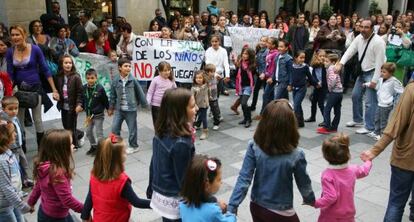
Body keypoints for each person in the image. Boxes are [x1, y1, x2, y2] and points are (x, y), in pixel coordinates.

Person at [228, 99, 315, 221]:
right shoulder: (296, 154)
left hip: (257, 206)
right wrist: (310, 199)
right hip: (281, 211)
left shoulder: (254, 145)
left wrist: (232, 205)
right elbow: (304, 182)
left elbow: (244, 178)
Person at [360, 77, 414, 221]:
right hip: (407, 157)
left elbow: (396, 124)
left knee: (396, 203)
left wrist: (374, 151)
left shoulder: (411, 90)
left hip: (406, 157)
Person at [6, 25, 59, 147]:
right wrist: (9, 93)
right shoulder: (10, 51)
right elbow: (10, 74)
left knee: (38, 120)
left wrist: (54, 89)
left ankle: (41, 149)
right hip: (18, 90)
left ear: (23, 35)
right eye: (12, 35)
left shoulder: (35, 49)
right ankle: (21, 147)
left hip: (35, 89)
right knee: (18, 121)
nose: (15, 37)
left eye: (17, 34)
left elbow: (45, 70)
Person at [148, 88, 196, 222]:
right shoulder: (181, 142)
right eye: (192, 106)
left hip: (161, 193)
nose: (196, 108)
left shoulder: (161, 131)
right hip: (175, 199)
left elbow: (154, 163)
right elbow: (184, 178)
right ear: (180, 111)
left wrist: (151, 185)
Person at [80, 134, 151, 222]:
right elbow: (136, 202)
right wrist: (157, 204)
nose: (126, 154)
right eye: (124, 152)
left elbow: (90, 197)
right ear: (117, 158)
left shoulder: (94, 174)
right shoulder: (122, 182)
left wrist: (85, 215)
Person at [336, 19, 386, 135]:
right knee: (355, 95)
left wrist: (374, 80)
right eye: (361, 27)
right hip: (362, 71)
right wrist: (341, 63)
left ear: (372, 28)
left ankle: (370, 126)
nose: (363, 29)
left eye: (366, 27)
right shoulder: (359, 38)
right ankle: (358, 120)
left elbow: (380, 63)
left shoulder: (379, 42)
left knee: (370, 101)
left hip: (374, 72)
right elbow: (350, 51)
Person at [313, 133, 372, 221]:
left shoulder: (327, 174)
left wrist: (315, 203)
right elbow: (364, 170)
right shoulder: (353, 169)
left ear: (326, 156)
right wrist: (368, 161)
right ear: (347, 153)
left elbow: (330, 197)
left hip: (330, 215)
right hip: (348, 213)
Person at [28, 129, 84, 221]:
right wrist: (84, 209)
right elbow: (67, 200)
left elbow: (38, 187)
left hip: (45, 212)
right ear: (61, 150)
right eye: (70, 144)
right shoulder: (58, 173)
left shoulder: (44, 166)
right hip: (56, 217)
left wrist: (31, 202)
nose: (73, 145)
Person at [108, 58, 147, 154]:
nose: (128, 68)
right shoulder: (115, 80)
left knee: (132, 129)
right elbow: (112, 95)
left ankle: (134, 146)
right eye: (126, 66)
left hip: (131, 109)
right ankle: (116, 145)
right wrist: (111, 107)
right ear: (119, 68)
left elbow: (140, 92)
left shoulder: (133, 79)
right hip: (119, 109)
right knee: (114, 127)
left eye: (129, 66)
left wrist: (144, 104)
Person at [180, 155, 236, 222]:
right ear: (207, 184)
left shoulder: (182, 204)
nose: (221, 182)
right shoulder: (213, 211)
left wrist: (216, 203)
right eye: (219, 179)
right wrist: (231, 214)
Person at [0, 120, 32, 221]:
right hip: (4, 206)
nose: (16, 134)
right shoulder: (2, 161)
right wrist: (22, 206)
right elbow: (6, 187)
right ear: (4, 138)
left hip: (12, 200)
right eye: (13, 132)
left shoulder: (8, 152)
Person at [0, 96, 32, 188]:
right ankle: (16, 185)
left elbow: (19, 130)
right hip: (12, 147)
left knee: (24, 163)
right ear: (3, 109)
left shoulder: (15, 118)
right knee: (15, 166)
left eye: (16, 108)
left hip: (19, 145)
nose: (14, 111)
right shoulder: (4, 121)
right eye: (10, 109)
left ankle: (25, 180)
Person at [54, 55, 84, 149]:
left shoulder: (76, 77)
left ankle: (74, 145)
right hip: (63, 105)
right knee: (65, 125)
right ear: (61, 64)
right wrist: (56, 95)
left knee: (71, 126)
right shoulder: (59, 76)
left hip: (73, 106)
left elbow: (80, 92)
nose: (68, 65)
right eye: (66, 63)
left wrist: (79, 104)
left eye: (70, 63)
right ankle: (80, 134)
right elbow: (58, 90)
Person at [367, 63, 403, 141]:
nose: (382, 73)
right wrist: (367, 84)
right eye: (381, 71)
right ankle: (376, 132)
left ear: (390, 73)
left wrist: (397, 101)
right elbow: (376, 86)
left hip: (386, 105)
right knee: (377, 118)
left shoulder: (394, 81)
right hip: (380, 103)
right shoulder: (380, 79)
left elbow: (401, 90)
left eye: (384, 72)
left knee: (383, 121)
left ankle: (382, 135)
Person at [81, 68, 109, 155]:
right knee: (88, 132)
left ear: (96, 78)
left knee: (99, 133)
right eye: (88, 78)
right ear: (86, 78)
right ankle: (94, 146)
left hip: (98, 115)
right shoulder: (84, 88)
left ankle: (102, 150)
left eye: (92, 78)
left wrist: (108, 109)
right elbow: (83, 99)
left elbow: (105, 100)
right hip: (89, 115)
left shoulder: (100, 88)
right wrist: (81, 106)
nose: (90, 80)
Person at [288, 50, 318, 128]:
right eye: (300, 58)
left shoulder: (305, 67)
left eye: (304, 58)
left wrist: (316, 84)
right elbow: (291, 76)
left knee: (296, 105)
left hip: (302, 88)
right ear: (295, 58)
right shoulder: (292, 66)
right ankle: (300, 122)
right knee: (298, 106)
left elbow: (310, 77)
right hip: (294, 89)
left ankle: (294, 122)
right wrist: (290, 85)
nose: (302, 59)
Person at [317, 54, 343, 134]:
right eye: (324, 61)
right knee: (337, 110)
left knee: (327, 109)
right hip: (339, 92)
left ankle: (327, 127)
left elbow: (333, 79)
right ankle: (334, 127)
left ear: (333, 62)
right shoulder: (332, 68)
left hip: (334, 92)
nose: (324, 63)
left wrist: (330, 88)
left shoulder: (331, 68)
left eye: (327, 61)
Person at [146, 61, 176, 128]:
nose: (167, 72)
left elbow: (175, 90)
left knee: (167, 123)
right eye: (165, 70)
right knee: (157, 123)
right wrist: (148, 101)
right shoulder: (155, 80)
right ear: (159, 72)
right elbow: (150, 92)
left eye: (169, 70)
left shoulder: (172, 80)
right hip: (156, 106)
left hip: (168, 105)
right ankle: (158, 136)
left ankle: (165, 136)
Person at [254, 37, 278, 120]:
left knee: (266, 95)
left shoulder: (275, 54)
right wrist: (264, 73)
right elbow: (266, 66)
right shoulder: (269, 52)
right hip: (267, 76)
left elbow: (274, 68)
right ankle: (272, 113)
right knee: (270, 96)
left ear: (273, 45)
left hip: (271, 78)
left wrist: (270, 76)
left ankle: (263, 114)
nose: (267, 44)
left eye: (268, 43)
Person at [305, 49, 327, 125]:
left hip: (323, 87)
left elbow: (326, 77)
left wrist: (321, 84)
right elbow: (313, 76)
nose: (322, 57)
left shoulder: (325, 66)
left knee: (321, 103)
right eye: (321, 56)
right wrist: (316, 83)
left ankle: (326, 119)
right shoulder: (314, 65)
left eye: (324, 56)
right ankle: (312, 117)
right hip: (317, 86)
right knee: (313, 102)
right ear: (316, 56)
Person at [235, 47, 255, 128]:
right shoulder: (240, 63)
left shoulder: (252, 65)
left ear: (250, 55)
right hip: (241, 86)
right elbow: (237, 73)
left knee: (243, 103)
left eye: (246, 54)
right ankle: (245, 118)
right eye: (243, 53)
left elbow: (255, 73)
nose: (244, 55)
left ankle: (248, 120)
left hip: (248, 87)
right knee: (243, 104)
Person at [250, 36, 268, 112]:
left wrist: (264, 73)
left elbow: (267, 64)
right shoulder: (259, 50)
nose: (262, 42)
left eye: (264, 41)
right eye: (261, 40)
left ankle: (265, 109)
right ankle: (253, 106)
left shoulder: (267, 51)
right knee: (256, 90)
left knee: (266, 92)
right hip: (258, 73)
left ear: (267, 43)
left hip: (265, 75)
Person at [192, 70, 210, 140]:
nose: (198, 79)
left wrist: (209, 98)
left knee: (204, 118)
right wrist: (195, 105)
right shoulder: (193, 88)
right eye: (197, 78)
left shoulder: (206, 86)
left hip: (204, 105)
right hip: (195, 106)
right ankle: (191, 130)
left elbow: (208, 92)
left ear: (203, 78)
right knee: (193, 118)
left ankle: (205, 131)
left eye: (200, 78)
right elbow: (192, 97)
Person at [204, 64, 222, 131]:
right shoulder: (205, 79)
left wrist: (219, 78)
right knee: (202, 110)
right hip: (206, 97)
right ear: (207, 72)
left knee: (215, 111)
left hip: (214, 97)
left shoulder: (215, 77)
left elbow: (218, 80)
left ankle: (216, 123)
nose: (213, 73)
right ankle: (197, 124)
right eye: (211, 72)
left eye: (214, 71)